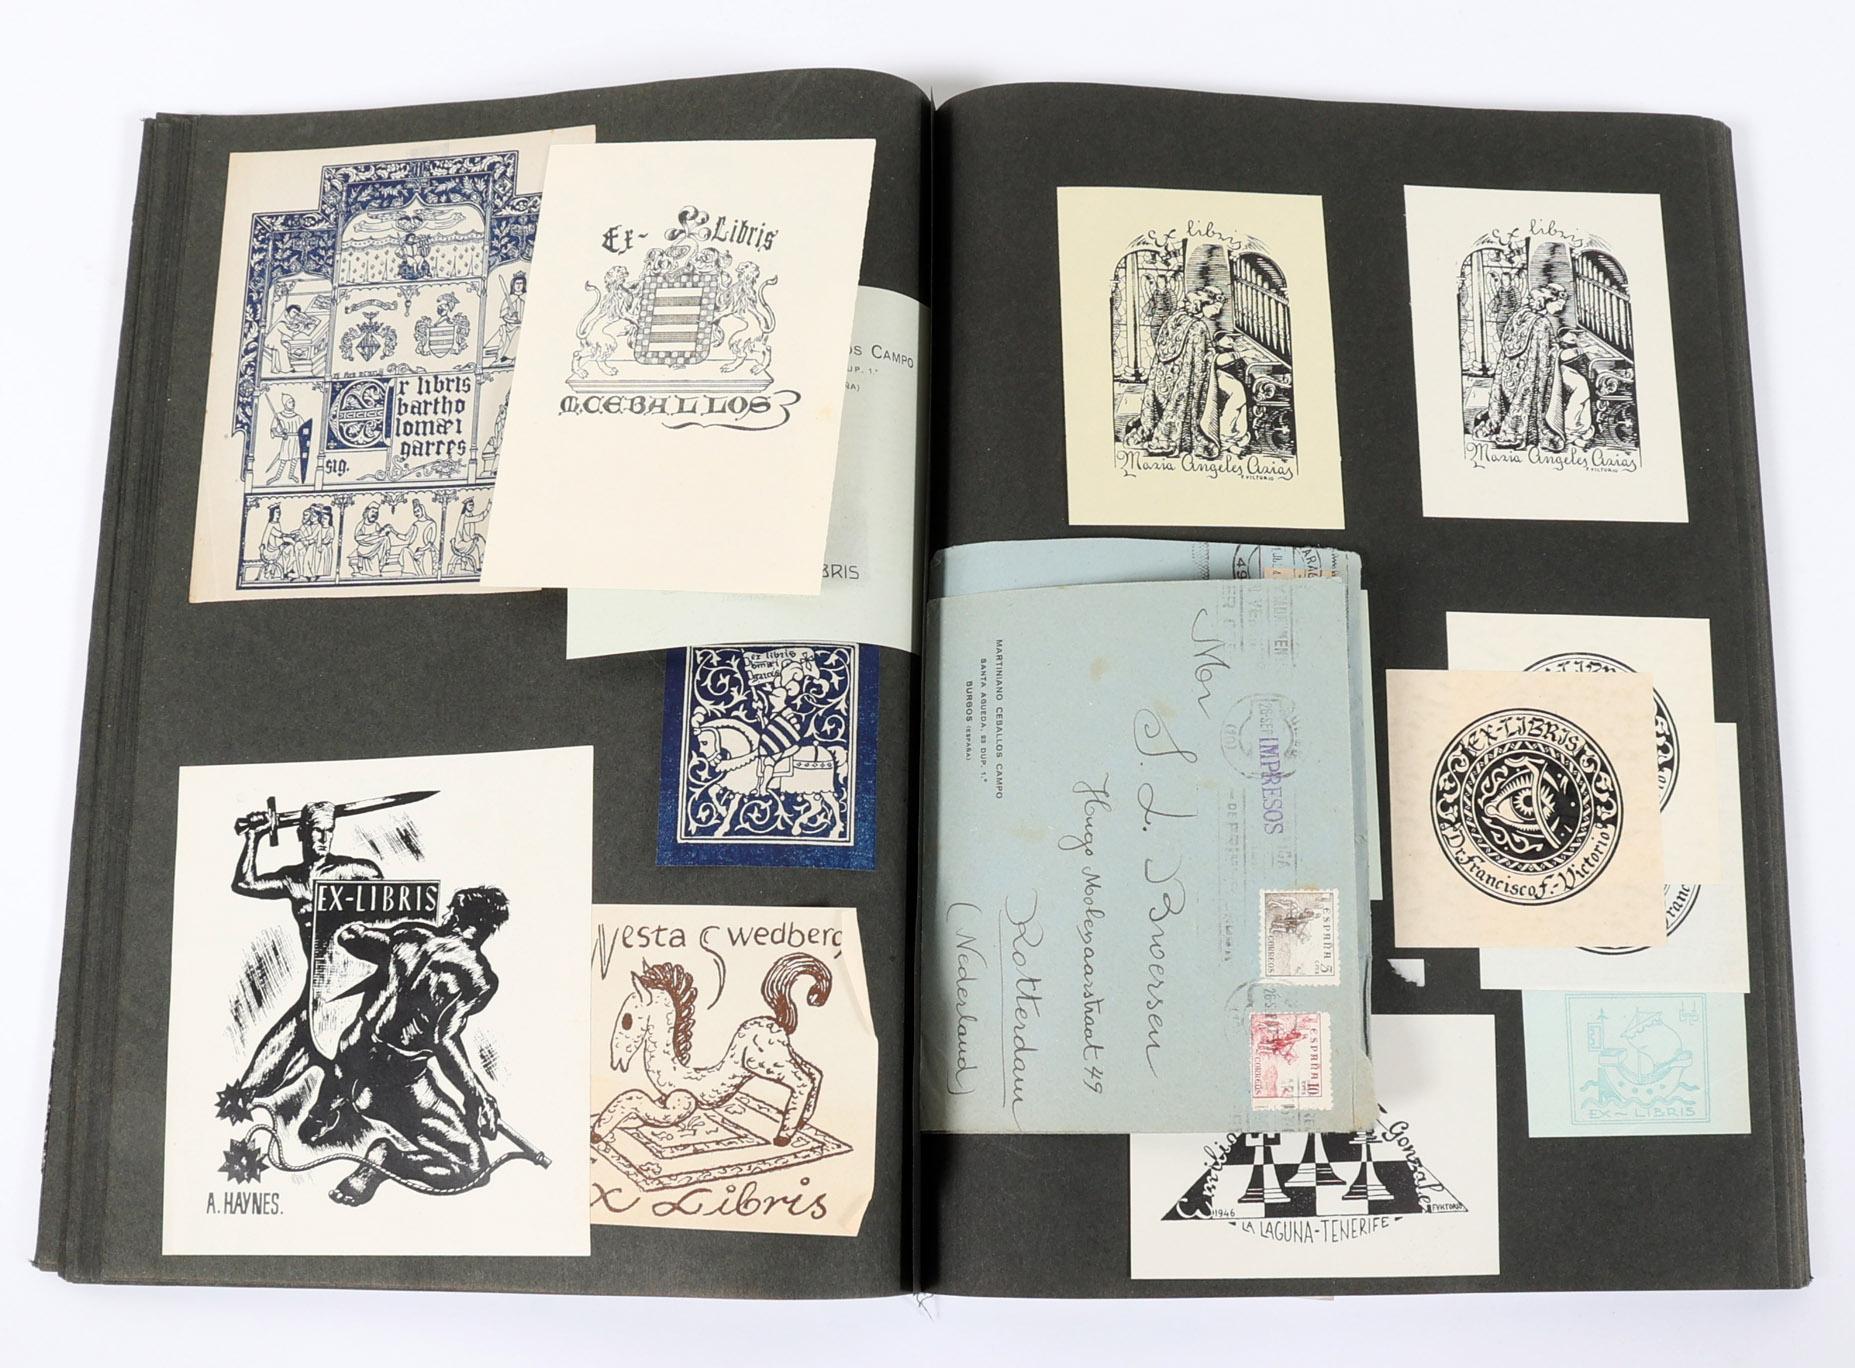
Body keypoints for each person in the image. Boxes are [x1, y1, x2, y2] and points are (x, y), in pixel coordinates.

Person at [298, 887, 511, 1205]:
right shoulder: (480, 979)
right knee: (473, 1167)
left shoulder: (409, 937)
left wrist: (371, 935)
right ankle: (388, 1159)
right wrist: (476, 1094)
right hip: (395, 1083)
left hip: (351, 1058)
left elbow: (349, 937)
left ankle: (320, 1113)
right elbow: (444, 1039)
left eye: (449, 910)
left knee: (352, 1050)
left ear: (455, 914)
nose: (445, 914)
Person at [221, 802, 382, 1119]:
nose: (323, 839)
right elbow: (245, 883)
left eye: (328, 832)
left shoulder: (351, 871)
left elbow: (380, 884)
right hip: (316, 996)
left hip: (353, 990)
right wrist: (254, 836)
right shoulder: (293, 879)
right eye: (316, 831)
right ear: (302, 834)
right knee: (247, 1088)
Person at [1477, 283, 1589, 452]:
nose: (1561, 308)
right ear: (1547, 300)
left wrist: (1559, 342)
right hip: (1533, 379)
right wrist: (1581, 350)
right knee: (1581, 385)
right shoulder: (1541, 324)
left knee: (1576, 381)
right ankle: (1573, 432)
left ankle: (1575, 429)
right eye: (1559, 303)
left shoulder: (1521, 315)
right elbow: (1551, 358)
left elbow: (1537, 350)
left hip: (1512, 380)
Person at [1124, 285, 1225, 461]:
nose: (1218, 311)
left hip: (1163, 382)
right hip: (1180, 382)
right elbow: (1202, 360)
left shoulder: (1176, 318)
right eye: (1216, 307)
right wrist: (1223, 355)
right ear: (1203, 304)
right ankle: (1185, 439)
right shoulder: (1198, 327)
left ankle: (1153, 431)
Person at [262, 394, 308, 485]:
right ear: (285, 404)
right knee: (283, 459)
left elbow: (304, 428)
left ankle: (291, 474)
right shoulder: (279, 416)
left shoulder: (298, 417)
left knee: (295, 458)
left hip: (296, 440)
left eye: (293, 402)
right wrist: (281, 435)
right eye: (290, 402)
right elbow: (273, 430)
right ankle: (277, 476)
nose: (293, 404)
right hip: (287, 440)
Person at [486, 271, 527, 363]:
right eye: (517, 283)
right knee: (518, 330)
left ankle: (512, 355)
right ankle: (508, 356)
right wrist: (512, 320)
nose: (519, 286)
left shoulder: (526, 297)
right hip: (511, 326)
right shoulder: (509, 298)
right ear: (513, 285)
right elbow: (504, 315)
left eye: (521, 283)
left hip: (523, 324)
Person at [449, 497, 489, 575]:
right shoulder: (464, 517)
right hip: (460, 543)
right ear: (466, 506)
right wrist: (487, 509)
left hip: (466, 541)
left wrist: (474, 536)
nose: (472, 506)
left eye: (472, 505)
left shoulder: (470, 515)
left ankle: (478, 563)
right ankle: (477, 567)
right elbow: (480, 518)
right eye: (470, 505)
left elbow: (470, 532)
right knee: (476, 546)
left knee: (480, 540)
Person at [405, 499, 438, 577]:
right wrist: (393, 531)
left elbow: (431, 542)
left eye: (417, 511)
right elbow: (406, 537)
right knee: (405, 551)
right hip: (413, 549)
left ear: (422, 510)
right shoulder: (415, 524)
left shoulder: (431, 523)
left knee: (427, 572)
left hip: (425, 549)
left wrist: (422, 549)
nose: (416, 513)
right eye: (414, 512)